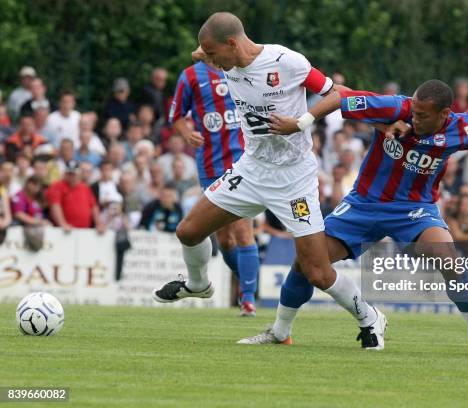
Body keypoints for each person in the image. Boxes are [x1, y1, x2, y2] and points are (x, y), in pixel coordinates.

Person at [253, 78, 468, 355]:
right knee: (307, 262)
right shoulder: (396, 107)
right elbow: (341, 95)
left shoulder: (462, 128)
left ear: (444, 114)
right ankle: (280, 332)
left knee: (448, 258)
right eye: (413, 111)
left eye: (423, 115)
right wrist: (306, 121)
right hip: (363, 204)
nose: (414, 117)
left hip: (414, 210)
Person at [154, 12, 387, 346]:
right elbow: (202, 52)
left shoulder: (286, 61)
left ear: (232, 43)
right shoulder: (222, 59)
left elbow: (339, 93)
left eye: (213, 53)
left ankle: (370, 318)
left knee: (317, 271)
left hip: (294, 178)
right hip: (252, 169)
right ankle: (198, 285)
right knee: (188, 231)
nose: (210, 62)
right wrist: (203, 50)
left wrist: (301, 121)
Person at [45, 160, 105, 232]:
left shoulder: (84, 187)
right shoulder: (57, 186)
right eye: (69, 173)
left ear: (79, 174)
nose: (71, 176)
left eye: (73, 174)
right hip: (65, 231)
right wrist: (62, 224)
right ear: (65, 173)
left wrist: (98, 223)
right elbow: (55, 206)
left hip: (84, 230)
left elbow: (93, 206)